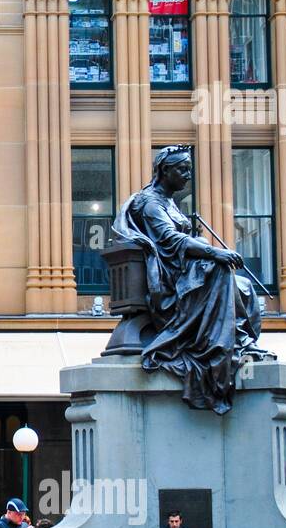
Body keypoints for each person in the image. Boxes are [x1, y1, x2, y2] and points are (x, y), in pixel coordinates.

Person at [112, 145, 272, 414]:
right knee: (221, 271)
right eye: (182, 169)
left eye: (189, 168)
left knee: (242, 285)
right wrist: (214, 251)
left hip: (187, 274)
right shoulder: (150, 203)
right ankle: (214, 347)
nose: (188, 174)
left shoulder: (169, 201)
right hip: (170, 282)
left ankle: (240, 339)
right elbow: (170, 240)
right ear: (165, 170)